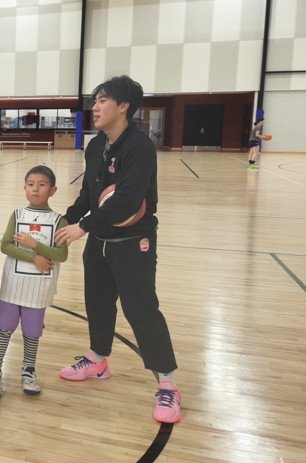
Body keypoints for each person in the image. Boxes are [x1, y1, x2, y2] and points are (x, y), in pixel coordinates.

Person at [54, 75, 181, 424]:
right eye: (94, 100)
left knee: (141, 309)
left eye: (103, 100)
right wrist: (69, 217)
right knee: (97, 302)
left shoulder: (139, 147)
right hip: (99, 242)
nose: (94, 106)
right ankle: (98, 360)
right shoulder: (95, 146)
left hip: (132, 243)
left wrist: (84, 226)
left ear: (123, 106)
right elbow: (90, 193)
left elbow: (126, 200)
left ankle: (168, 384)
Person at [0, 166, 68, 399]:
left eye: (42, 184)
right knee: (4, 328)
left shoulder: (59, 220)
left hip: (39, 288)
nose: (35, 189)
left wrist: (34, 245)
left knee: (32, 332)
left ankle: (28, 370)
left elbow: (62, 255)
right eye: (31, 184)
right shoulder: (17, 215)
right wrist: (35, 256)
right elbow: (6, 246)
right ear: (24, 188)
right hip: (13, 285)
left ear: (53, 190)